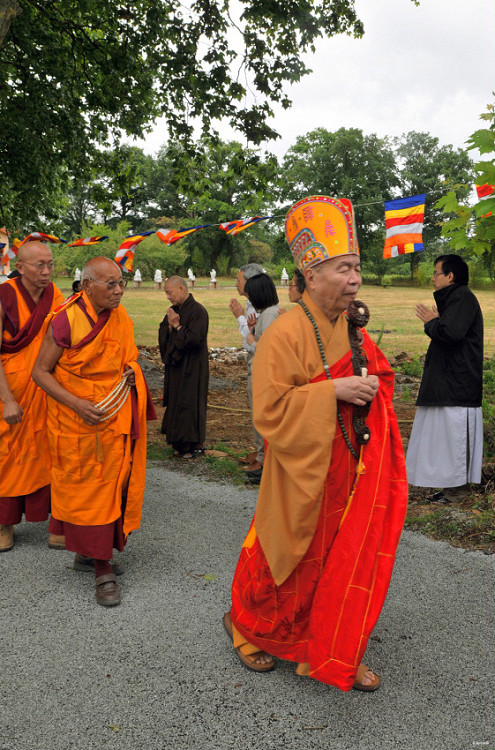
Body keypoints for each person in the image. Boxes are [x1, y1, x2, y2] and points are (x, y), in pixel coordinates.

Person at [224, 195, 408, 692]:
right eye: (344, 269)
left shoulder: (351, 328)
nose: (355, 280)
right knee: (284, 558)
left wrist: (368, 386)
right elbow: (269, 411)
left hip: (349, 467)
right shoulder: (284, 332)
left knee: (339, 560)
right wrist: (332, 391)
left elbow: (379, 376)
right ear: (312, 274)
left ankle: (326, 646)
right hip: (300, 470)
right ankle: (247, 627)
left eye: (357, 269)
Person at [32, 257, 155, 606]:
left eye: (121, 283)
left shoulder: (120, 317)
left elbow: (125, 358)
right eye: (110, 284)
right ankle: (103, 569)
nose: (118, 291)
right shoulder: (65, 320)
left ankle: (90, 555)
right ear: (87, 286)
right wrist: (77, 404)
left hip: (113, 417)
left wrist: (132, 371)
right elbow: (40, 372)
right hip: (77, 422)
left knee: (113, 488)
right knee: (90, 496)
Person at [0, 242, 65, 552]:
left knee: (54, 452)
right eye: (40, 265)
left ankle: (59, 525)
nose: (46, 271)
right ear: (20, 267)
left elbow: (69, 339)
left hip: (48, 390)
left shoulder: (56, 296)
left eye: (50, 264)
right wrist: (8, 400)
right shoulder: (4, 296)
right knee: (8, 456)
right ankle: (4, 524)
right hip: (11, 390)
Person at [406, 254, 484, 503]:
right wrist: (437, 322)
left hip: (457, 385)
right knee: (444, 438)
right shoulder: (456, 298)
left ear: (450, 276)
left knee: (453, 439)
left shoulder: (462, 297)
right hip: (449, 383)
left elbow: (451, 334)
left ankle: (458, 491)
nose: (432, 278)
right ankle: (450, 488)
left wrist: (432, 323)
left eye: (436, 273)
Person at [159, 275, 209, 459]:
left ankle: (192, 445)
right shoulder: (173, 310)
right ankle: (177, 444)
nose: (168, 297)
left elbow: (195, 340)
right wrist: (169, 328)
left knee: (190, 403)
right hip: (176, 366)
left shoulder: (198, 312)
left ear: (181, 289)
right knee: (176, 402)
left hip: (193, 367)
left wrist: (177, 325)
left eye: (169, 292)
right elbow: (163, 334)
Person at [243, 273, 281, 484]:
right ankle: (262, 459)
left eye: (250, 295)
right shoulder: (268, 313)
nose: (249, 299)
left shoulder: (270, 315)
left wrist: (252, 341)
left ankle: (264, 462)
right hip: (261, 374)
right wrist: (254, 329)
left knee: (262, 418)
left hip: (263, 375)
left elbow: (269, 350)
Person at [228, 263, 265, 469]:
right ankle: (260, 451)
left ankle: (262, 457)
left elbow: (255, 339)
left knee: (260, 410)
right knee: (255, 410)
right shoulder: (252, 303)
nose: (236, 284)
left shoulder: (261, 306)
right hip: (253, 357)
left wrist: (240, 318)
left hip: (260, 361)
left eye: (238, 280)